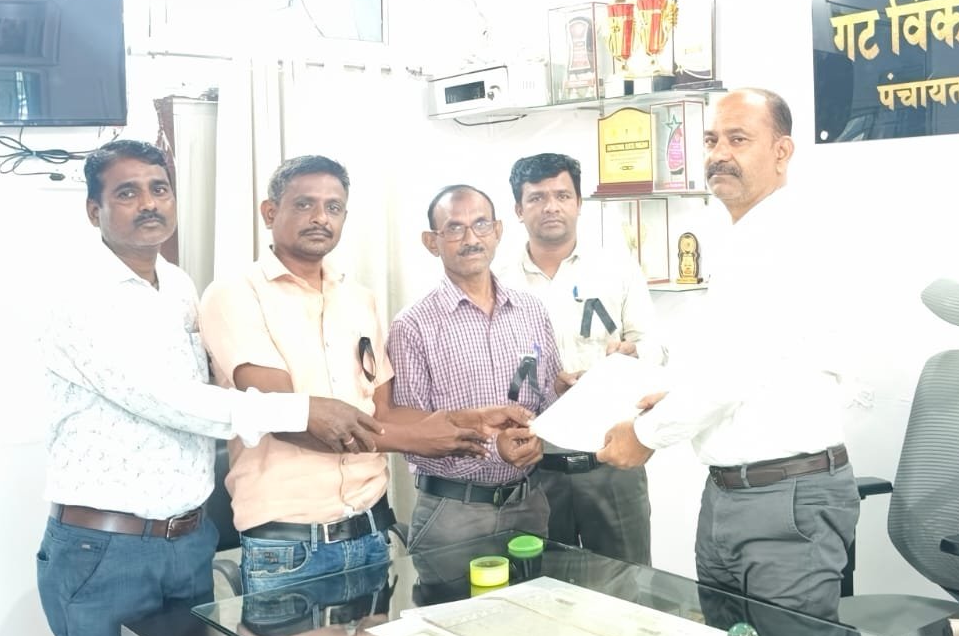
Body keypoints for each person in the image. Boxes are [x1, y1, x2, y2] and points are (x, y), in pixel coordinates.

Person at [37, 139, 382, 636]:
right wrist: (301, 408)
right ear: (93, 210)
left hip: (186, 541)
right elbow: (168, 399)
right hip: (104, 548)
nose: (148, 204)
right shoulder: (79, 296)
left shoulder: (177, 285)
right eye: (127, 193)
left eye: (158, 189)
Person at [199, 155, 530, 595]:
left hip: (372, 531)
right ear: (270, 212)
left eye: (333, 207)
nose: (321, 217)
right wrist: (423, 440)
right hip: (291, 542)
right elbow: (289, 418)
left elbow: (383, 412)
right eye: (305, 204)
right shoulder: (235, 294)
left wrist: (467, 422)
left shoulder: (358, 300)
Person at [597, 90, 859, 622]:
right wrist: (655, 374)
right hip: (731, 492)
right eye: (712, 140)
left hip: (784, 500)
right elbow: (730, 361)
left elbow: (729, 376)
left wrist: (644, 435)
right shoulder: (742, 238)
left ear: (782, 152)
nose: (719, 154)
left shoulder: (785, 240)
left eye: (738, 139)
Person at [502, 151, 665, 564]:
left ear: (579, 203)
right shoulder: (498, 280)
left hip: (611, 460)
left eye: (562, 195)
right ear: (518, 209)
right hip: (532, 468)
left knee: (627, 588)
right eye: (537, 198)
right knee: (538, 589)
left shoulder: (616, 267)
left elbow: (655, 347)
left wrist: (632, 353)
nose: (551, 207)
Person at [388, 184, 562, 555]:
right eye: (454, 228)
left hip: (529, 505)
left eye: (481, 224)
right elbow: (412, 438)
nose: (471, 239)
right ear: (431, 242)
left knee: (535, 595)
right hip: (454, 513)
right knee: (450, 598)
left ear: (497, 231)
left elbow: (546, 401)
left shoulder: (531, 311)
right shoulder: (412, 325)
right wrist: (495, 450)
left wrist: (559, 407)